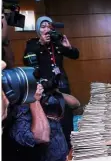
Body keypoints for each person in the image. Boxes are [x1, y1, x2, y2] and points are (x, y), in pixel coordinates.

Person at [23, 16, 79, 149]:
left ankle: (69, 149)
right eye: (43, 27)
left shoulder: (57, 43)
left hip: (62, 86)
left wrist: (69, 48)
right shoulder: (32, 45)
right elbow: (28, 62)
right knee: (51, 122)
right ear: (38, 30)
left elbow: (76, 55)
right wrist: (41, 44)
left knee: (67, 120)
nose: (47, 30)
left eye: (49, 27)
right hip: (45, 91)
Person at [5, 84, 80, 161]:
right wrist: (34, 100)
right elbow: (42, 137)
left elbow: (76, 104)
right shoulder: (17, 113)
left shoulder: (44, 98)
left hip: (63, 154)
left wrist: (55, 92)